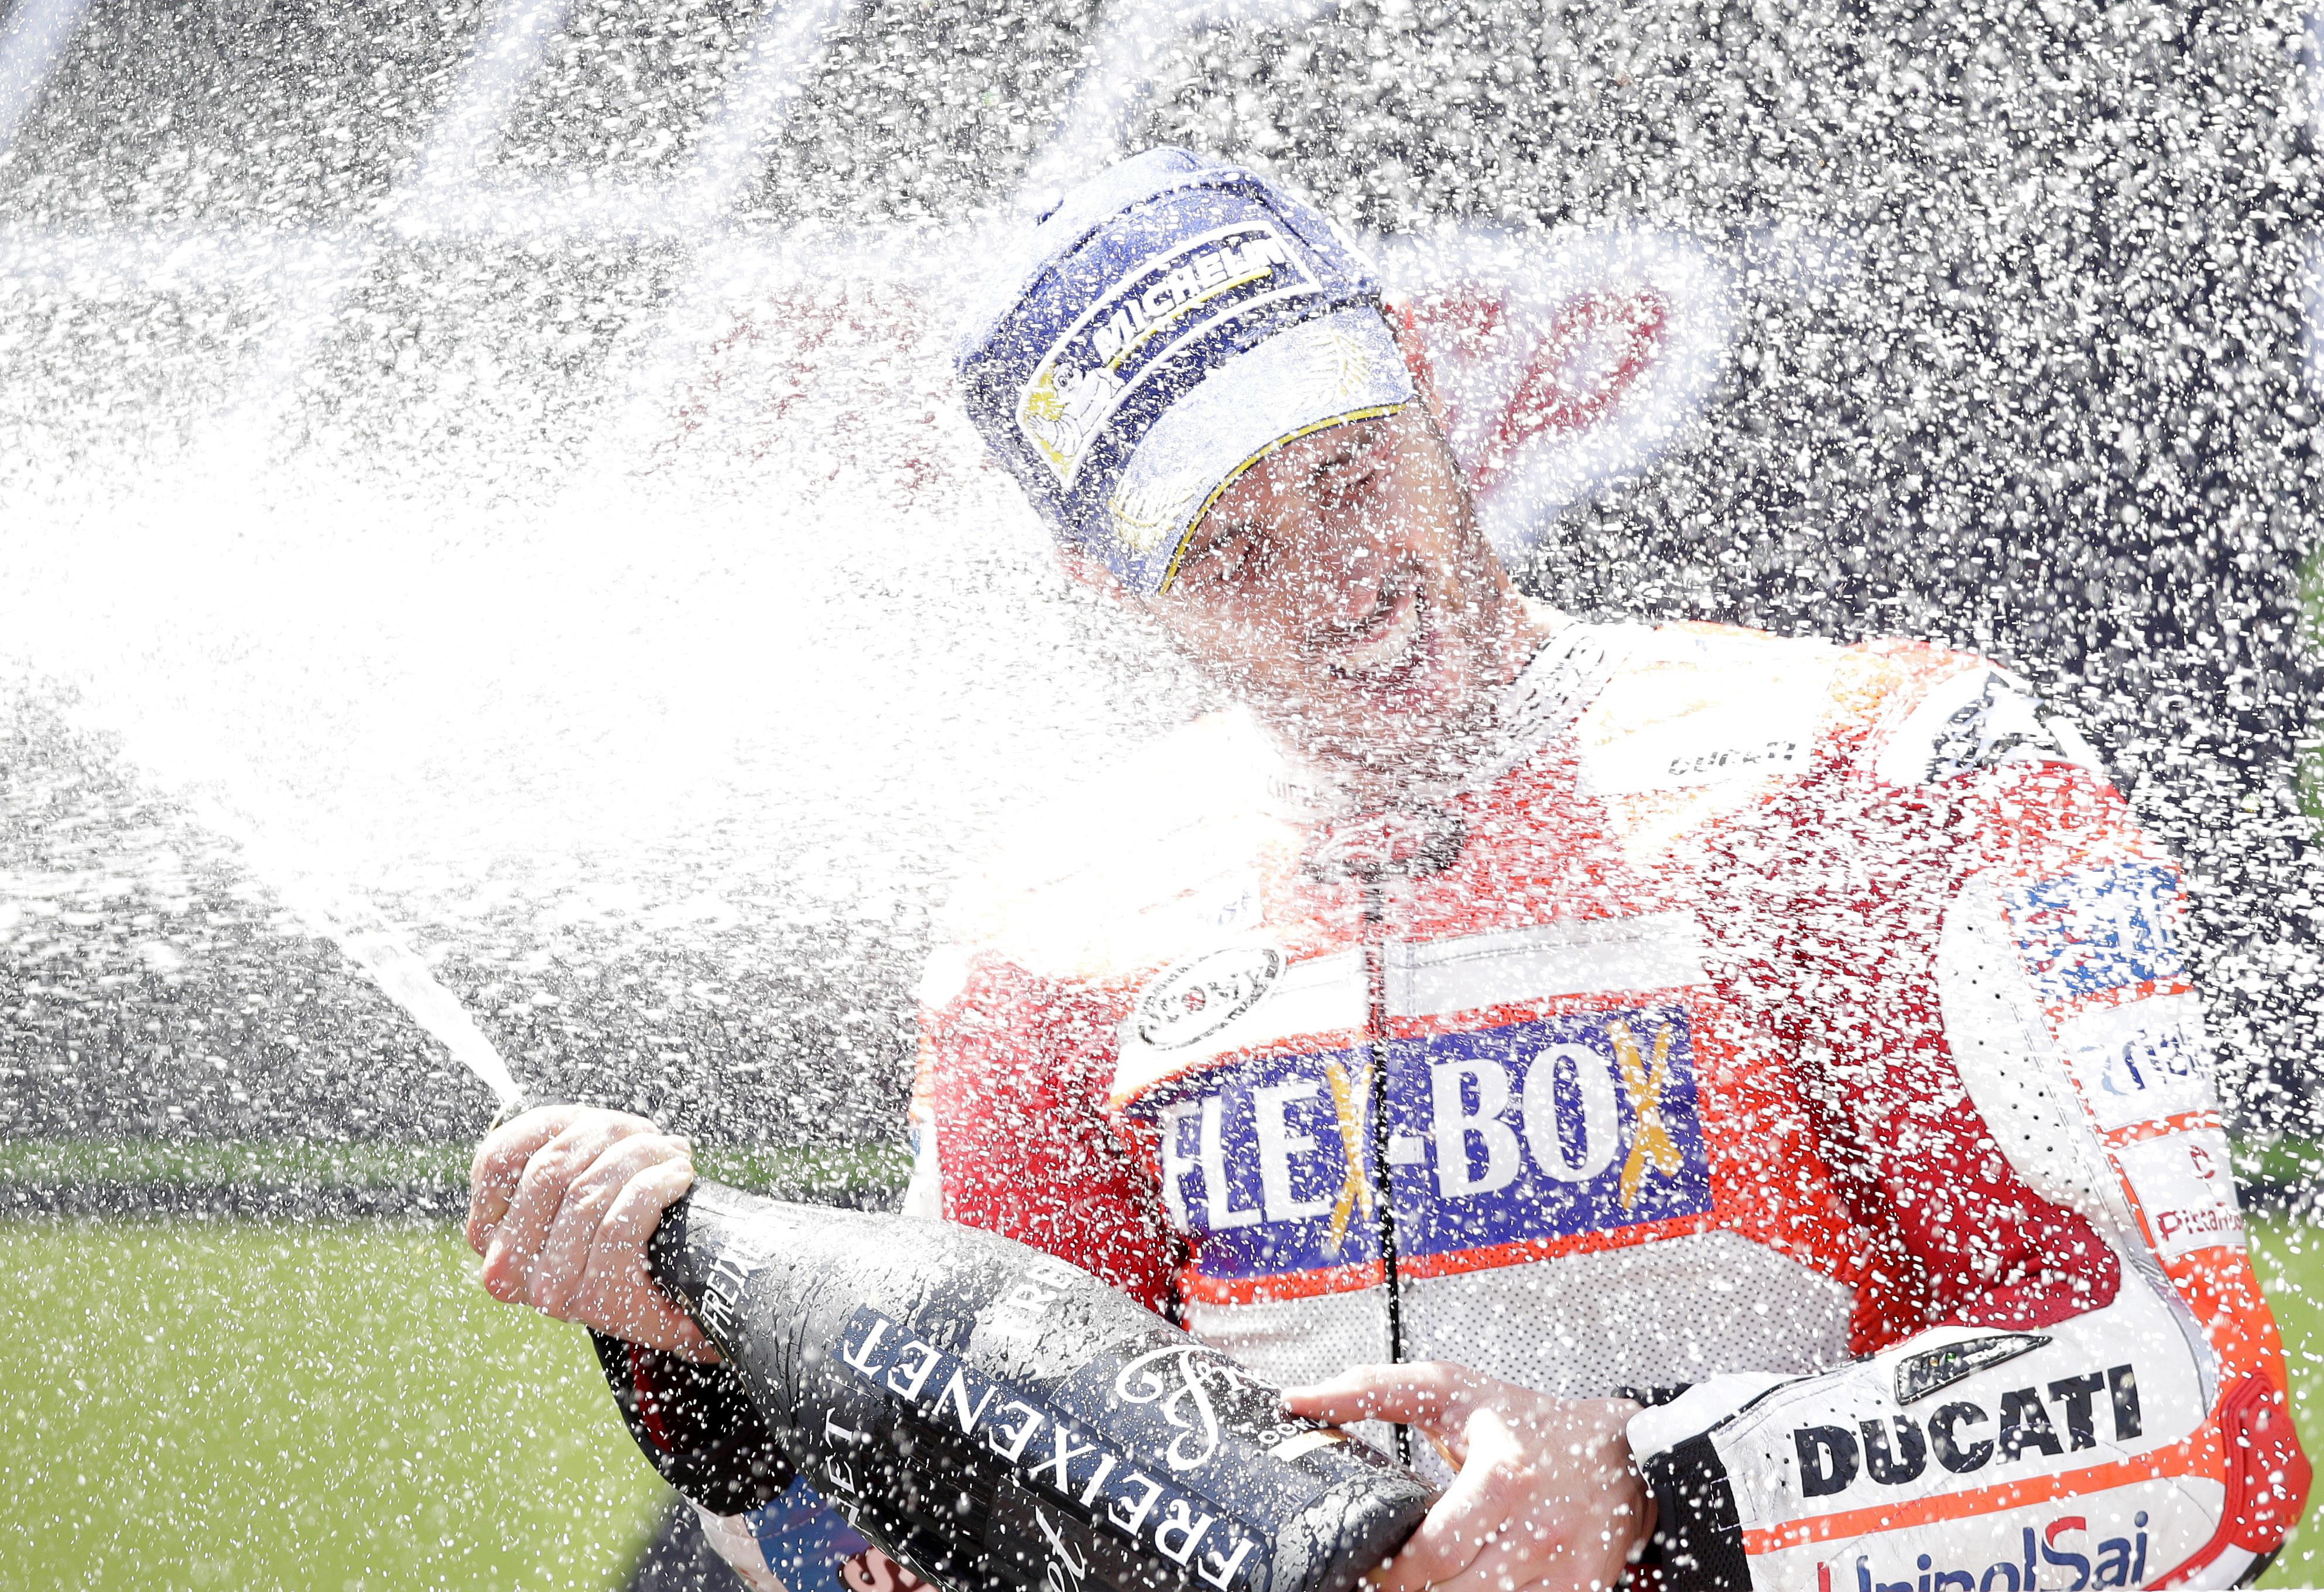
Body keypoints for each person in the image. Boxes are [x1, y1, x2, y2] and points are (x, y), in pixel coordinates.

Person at [465, 149, 2311, 1592]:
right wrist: (703, 1353)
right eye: (1227, 551)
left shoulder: (1876, 771)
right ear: (1106, 579)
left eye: (1343, 474)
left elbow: (2210, 1432)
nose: (1337, 583)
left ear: (1420, 382)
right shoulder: (1046, 932)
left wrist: (1653, 1502)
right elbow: (958, 1552)